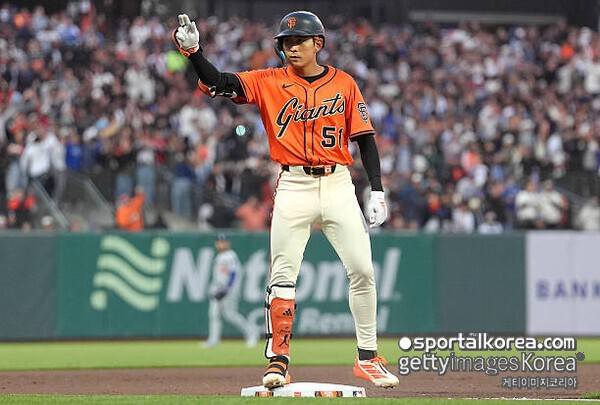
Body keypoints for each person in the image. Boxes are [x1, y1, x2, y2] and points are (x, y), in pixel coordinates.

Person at [173, 11, 399, 388]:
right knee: (282, 277)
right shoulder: (269, 81)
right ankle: (278, 361)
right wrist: (194, 53)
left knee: (363, 270)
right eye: (286, 42)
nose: (291, 47)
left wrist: (376, 188)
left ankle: (368, 357)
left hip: (338, 183)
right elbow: (219, 82)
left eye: (299, 41)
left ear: (318, 43)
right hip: (293, 184)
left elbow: (365, 138)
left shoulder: (344, 83)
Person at [204, 234, 259, 348]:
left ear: (228, 243)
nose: (221, 244)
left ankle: (252, 333)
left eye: (223, 242)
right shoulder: (220, 256)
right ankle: (213, 340)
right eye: (219, 242)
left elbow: (234, 273)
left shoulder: (230, 256)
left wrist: (227, 288)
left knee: (231, 315)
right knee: (214, 314)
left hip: (228, 289)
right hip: (218, 288)